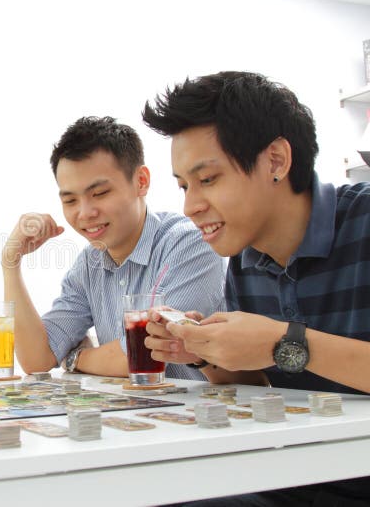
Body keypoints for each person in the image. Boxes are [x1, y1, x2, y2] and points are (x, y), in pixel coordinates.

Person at [142, 70, 370, 505]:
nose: (190, 206)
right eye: (184, 186)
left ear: (276, 161)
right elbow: (264, 385)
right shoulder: (245, 259)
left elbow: (281, 350)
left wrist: (284, 342)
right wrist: (206, 353)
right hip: (287, 481)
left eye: (207, 179)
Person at [1, 116, 224, 379]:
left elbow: (144, 352)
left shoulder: (189, 244)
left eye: (100, 194)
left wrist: (74, 357)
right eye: (71, 200)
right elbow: (37, 359)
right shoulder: (89, 264)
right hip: (133, 415)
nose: (85, 213)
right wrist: (10, 263)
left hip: (200, 417)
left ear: (141, 181)